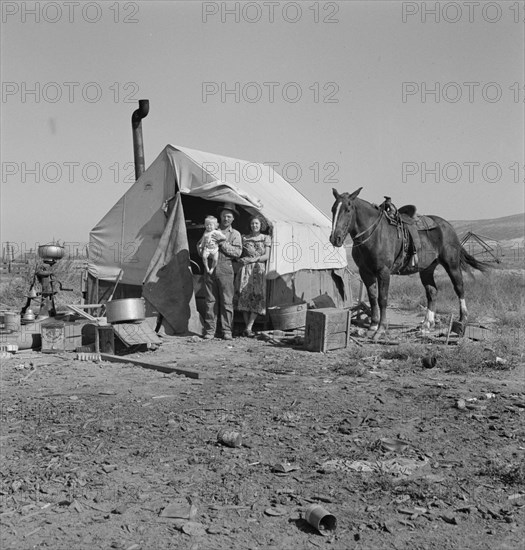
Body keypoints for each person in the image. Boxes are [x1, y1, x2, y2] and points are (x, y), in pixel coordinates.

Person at [202, 203, 242, 340]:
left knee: (227, 301)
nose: (226, 218)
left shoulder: (235, 234)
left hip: (226, 267)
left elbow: (237, 252)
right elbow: (200, 246)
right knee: (210, 300)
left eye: (229, 216)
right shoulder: (210, 229)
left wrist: (222, 243)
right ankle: (210, 330)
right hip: (210, 267)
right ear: (220, 217)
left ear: (233, 219)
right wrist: (204, 249)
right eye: (224, 216)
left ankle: (226, 330)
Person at [235, 214, 271, 337]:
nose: (254, 225)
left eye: (256, 223)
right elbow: (239, 252)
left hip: (258, 269)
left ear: (261, 225)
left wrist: (252, 260)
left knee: (257, 296)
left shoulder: (265, 238)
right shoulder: (244, 238)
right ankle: (248, 328)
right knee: (244, 295)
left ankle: (249, 326)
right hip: (246, 270)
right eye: (252, 223)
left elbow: (266, 256)